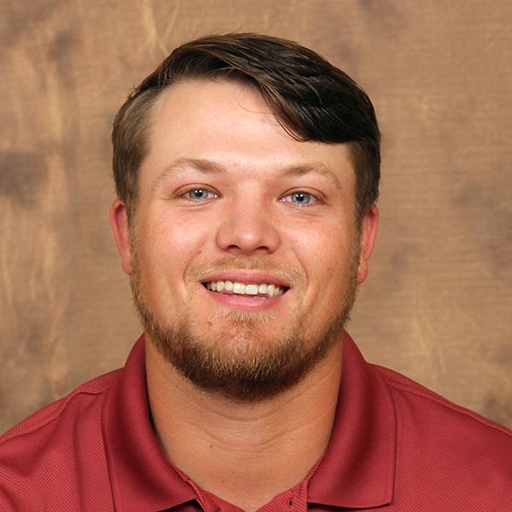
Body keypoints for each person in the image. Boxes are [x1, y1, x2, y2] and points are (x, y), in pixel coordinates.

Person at [0, 33, 511, 512]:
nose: (247, 234)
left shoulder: (494, 486)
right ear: (127, 234)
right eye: (197, 191)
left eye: (300, 196)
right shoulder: (17, 491)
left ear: (362, 242)